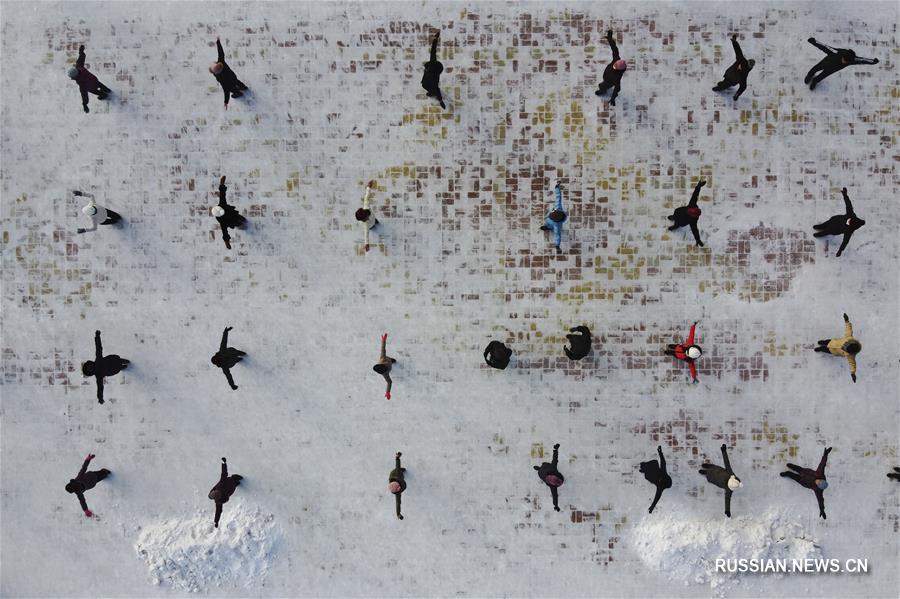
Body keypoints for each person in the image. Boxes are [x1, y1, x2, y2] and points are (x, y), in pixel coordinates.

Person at [805, 38, 878, 90]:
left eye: (846, 62)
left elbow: (862, 60)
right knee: (814, 69)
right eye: (844, 60)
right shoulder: (835, 52)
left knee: (821, 76)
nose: (844, 62)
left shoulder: (852, 60)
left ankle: (814, 81)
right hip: (824, 63)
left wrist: (872, 61)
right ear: (843, 56)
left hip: (831, 70)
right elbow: (825, 47)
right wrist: (814, 42)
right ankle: (809, 76)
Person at [780, 447, 831, 519]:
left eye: (818, 484)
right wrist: (825, 454)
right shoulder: (820, 474)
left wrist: (822, 510)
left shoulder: (818, 490)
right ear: (821, 480)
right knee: (796, 468)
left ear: (819, 487)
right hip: (804, 472)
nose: (817, 482)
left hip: (802, 481)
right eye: (819, 481)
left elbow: (820, 501)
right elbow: (822, 464)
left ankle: (787, 473)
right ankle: (791, 467)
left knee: (792, 476)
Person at [813, 187, 865, 257]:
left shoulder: (849, 231)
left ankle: (818, 235)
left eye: (849, 223)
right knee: (825, 224)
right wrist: (845, 195)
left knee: (825, 232)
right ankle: (820, 226)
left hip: (833, 230)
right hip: (834, 220)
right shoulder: (851, 215)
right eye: (849, 220)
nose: (848, 221)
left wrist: (840, 251)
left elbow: (845, 242)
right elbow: (848, 204)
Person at [82, 330, 129, 404]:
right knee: (120, 361)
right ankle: (125, 363)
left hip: (113, 369)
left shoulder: (98, 375)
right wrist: (97, 336)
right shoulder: (98, 360)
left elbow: (100, 388)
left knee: (120, 366)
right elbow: (98, 347)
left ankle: (123, 367)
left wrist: (100, 398)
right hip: (114, 360)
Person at [814, 313, 860, 382]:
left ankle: (820, 349)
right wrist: (847, 321)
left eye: (845, 349)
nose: (843, 347)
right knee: (825, 342)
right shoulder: (849, 337)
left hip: (833, 351)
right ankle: (822, 342)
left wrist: (853, 373)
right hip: (833, 341)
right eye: (845, 345)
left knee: (824, 349)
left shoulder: (850, 356)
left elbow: (852, 364)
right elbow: (848, 329)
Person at [699, 444, 742, 518]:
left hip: (714, 478)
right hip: (715, 470)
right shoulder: (730, 474)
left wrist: (727, 510)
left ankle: (705, 472)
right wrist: (724, 451)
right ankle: (708, 467)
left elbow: (727, 500)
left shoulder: (729, 489)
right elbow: (727, 462)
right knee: (711, 468)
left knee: (708, 474)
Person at [68, 45, 111, 114]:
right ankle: (108, 90)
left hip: (91, 87)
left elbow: (84, 95)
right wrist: (81, 51)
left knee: (97, 91)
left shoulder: (81, 83)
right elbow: (82, 57)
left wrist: (85, 104)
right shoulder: (79, 66)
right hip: (94, 79)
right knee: (100, 85)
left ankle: (104, 95)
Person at [65, 453, 110, 518]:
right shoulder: (78, 490)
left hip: (93, 476)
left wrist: (87, 459)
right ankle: (104, 473)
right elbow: (82, 501)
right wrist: (85, 510)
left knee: (104, 473)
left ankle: (105, 472)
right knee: (103, 475)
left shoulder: (78, 482)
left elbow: (83, 469)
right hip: (94, 479)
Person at [210, 38, 248, 109]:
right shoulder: (221, 62)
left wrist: (226, 102)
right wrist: (218, 42)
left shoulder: (221, 79)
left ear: (216, 73)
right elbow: (221, 52)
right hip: (233, 77)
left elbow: (226, 91)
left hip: (230, 85)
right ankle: (244, 87)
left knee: (234, 89)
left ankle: (238, 93)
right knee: (238, 82)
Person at [712, 36, 755, 101]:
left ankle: (720, 87)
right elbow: (738, 51)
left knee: (723, 86)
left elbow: (743, 86)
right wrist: (734, 42)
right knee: (724, 81)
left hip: (732, 80)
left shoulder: (744, 74)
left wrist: (737, 94)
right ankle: (722, 83)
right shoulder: (742, 60)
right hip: (729, 74)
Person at [212, 176, 247, 250]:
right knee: (243, 226)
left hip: (235, 215)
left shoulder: (222, 204)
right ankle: (245, 228)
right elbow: (225, 233)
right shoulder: (222, 221)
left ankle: (246, 224)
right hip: (233, 222)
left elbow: (222, 194)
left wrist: (222, 184)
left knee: (244, 220)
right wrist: (226, 242)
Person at [667, 180, 706, 247]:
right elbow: (695, 195)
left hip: (680, 220)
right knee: (675, 217)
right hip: (678, 213)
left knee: (677, 224)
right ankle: (673, 217)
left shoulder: (693, 219)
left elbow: (695, 231)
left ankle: (674, 226)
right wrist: (698, 186)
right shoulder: (692, 205)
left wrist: (698, 239)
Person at [209, 457, 243, 528]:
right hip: (231, 485)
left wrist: (223, 463)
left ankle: (235, 480)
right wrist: (216, 521)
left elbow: (224, 473)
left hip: (231, 485)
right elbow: (218, 512)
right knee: (235, 482)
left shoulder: (219, 499)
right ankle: (236, 481)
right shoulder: (219, 498)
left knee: (234, 482)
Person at [595, 30, 626, 106]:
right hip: (606, 77)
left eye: (615, 67)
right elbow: (614, 48)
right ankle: (603, 88)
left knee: (602, 86)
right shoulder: (616, 59)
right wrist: (610, 38)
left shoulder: (617, 77)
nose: (613, 66)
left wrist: (613, 98)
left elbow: (617, 89)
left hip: (609, 82)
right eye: (614, 65)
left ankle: (603, 91)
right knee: (602, 84)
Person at [640, 445, 673, 514]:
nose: (660, 479)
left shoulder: (660, 487)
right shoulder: (663, 473)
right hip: (653, 468)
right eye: (662, 478)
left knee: (648, 476)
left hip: (650, 476)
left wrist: (652, 507)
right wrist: (660, 452)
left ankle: (644, 469)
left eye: (660, 480)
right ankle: (645, 466)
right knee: (655, 462)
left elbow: (657, 498)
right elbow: (663, 462)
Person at [534, 443, 564, 512]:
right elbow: (555, 497)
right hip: (543, 470)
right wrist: (555, 449)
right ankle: (538, 468)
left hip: (543, 470)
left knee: (541, 470)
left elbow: (555, 459)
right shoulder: (553, 469)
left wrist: (555, 449)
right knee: (540, 470)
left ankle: (538, 468)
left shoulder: (553, 469)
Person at [539, 180, 567, 251]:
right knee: (547, 220)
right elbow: (558, 197)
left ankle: (548, 228)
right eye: (551, 214)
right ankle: (548, 225)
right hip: (550, 220)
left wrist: (557, 246)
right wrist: (557, 188)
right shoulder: (558, 207)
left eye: (551, 216)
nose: (550, 215)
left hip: (552, 224)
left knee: (552, 227)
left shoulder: (556, 225)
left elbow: (558, 236)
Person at [421, 32, 446, 109]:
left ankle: (432, 93)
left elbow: (437, 89)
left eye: (426, 69)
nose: (425, 69)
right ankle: (431, 90)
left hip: (431, 78)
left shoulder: (435, 78)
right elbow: (433, 50)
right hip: (429, 76)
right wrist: (435, 39)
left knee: (428, 86)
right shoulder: (432, 62)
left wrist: (441, 101)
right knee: (423, 84)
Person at [355, 180, 379, 252]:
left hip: (374, 219)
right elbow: (366, 235)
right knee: (374, 227)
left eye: (362, 220)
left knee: (377, 222)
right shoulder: (366, 224)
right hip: (371, 225)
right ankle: (375, 226)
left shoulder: (366, 206)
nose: (362, 221)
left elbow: (367, 197)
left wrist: (369, 187)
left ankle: (376, 223)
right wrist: (367, 244)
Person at [373, 333, 396, 399]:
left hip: (389, 359)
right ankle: (391, 361)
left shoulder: (382, 358)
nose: (385, 364)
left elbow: (383, 349)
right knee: (391, 362)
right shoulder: (385, 374)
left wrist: (383, 340)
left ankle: (391, 360)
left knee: (392, 360)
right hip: (390, 363)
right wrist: (388, 392)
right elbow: (389, 382)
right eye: (385, 365)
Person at [389, 452, 407, 520]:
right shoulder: (398, 494)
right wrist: (398, 514)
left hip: (396, 473)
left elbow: (397, 465)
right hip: (399, 478)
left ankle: (402, 471)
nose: (399, 488)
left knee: (402, 470)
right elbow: (398, 503)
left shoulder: (398, 475)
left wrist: (397, 458)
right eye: (398, 489)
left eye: (398, 486)